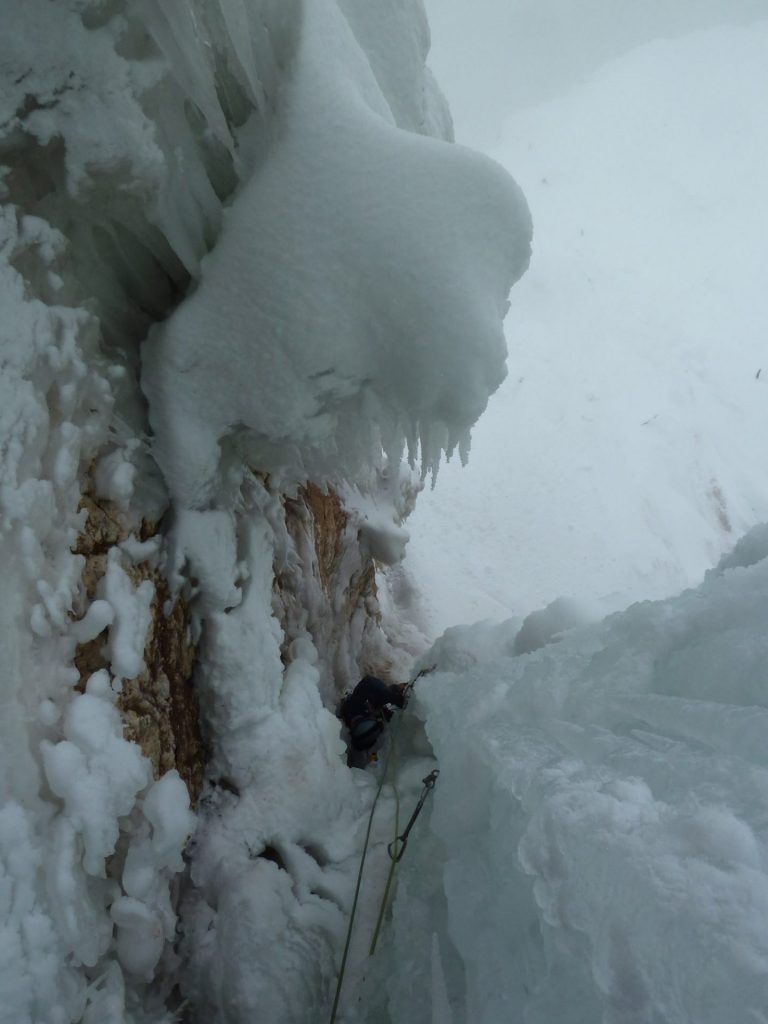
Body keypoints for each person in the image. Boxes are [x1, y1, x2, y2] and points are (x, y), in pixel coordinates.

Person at [339, 675, 407, 762]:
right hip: (369, 736)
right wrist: (394, 698)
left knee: (374, 757)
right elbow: (369, 681)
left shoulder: (358, 710)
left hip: (367, 744)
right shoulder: (354, 705)